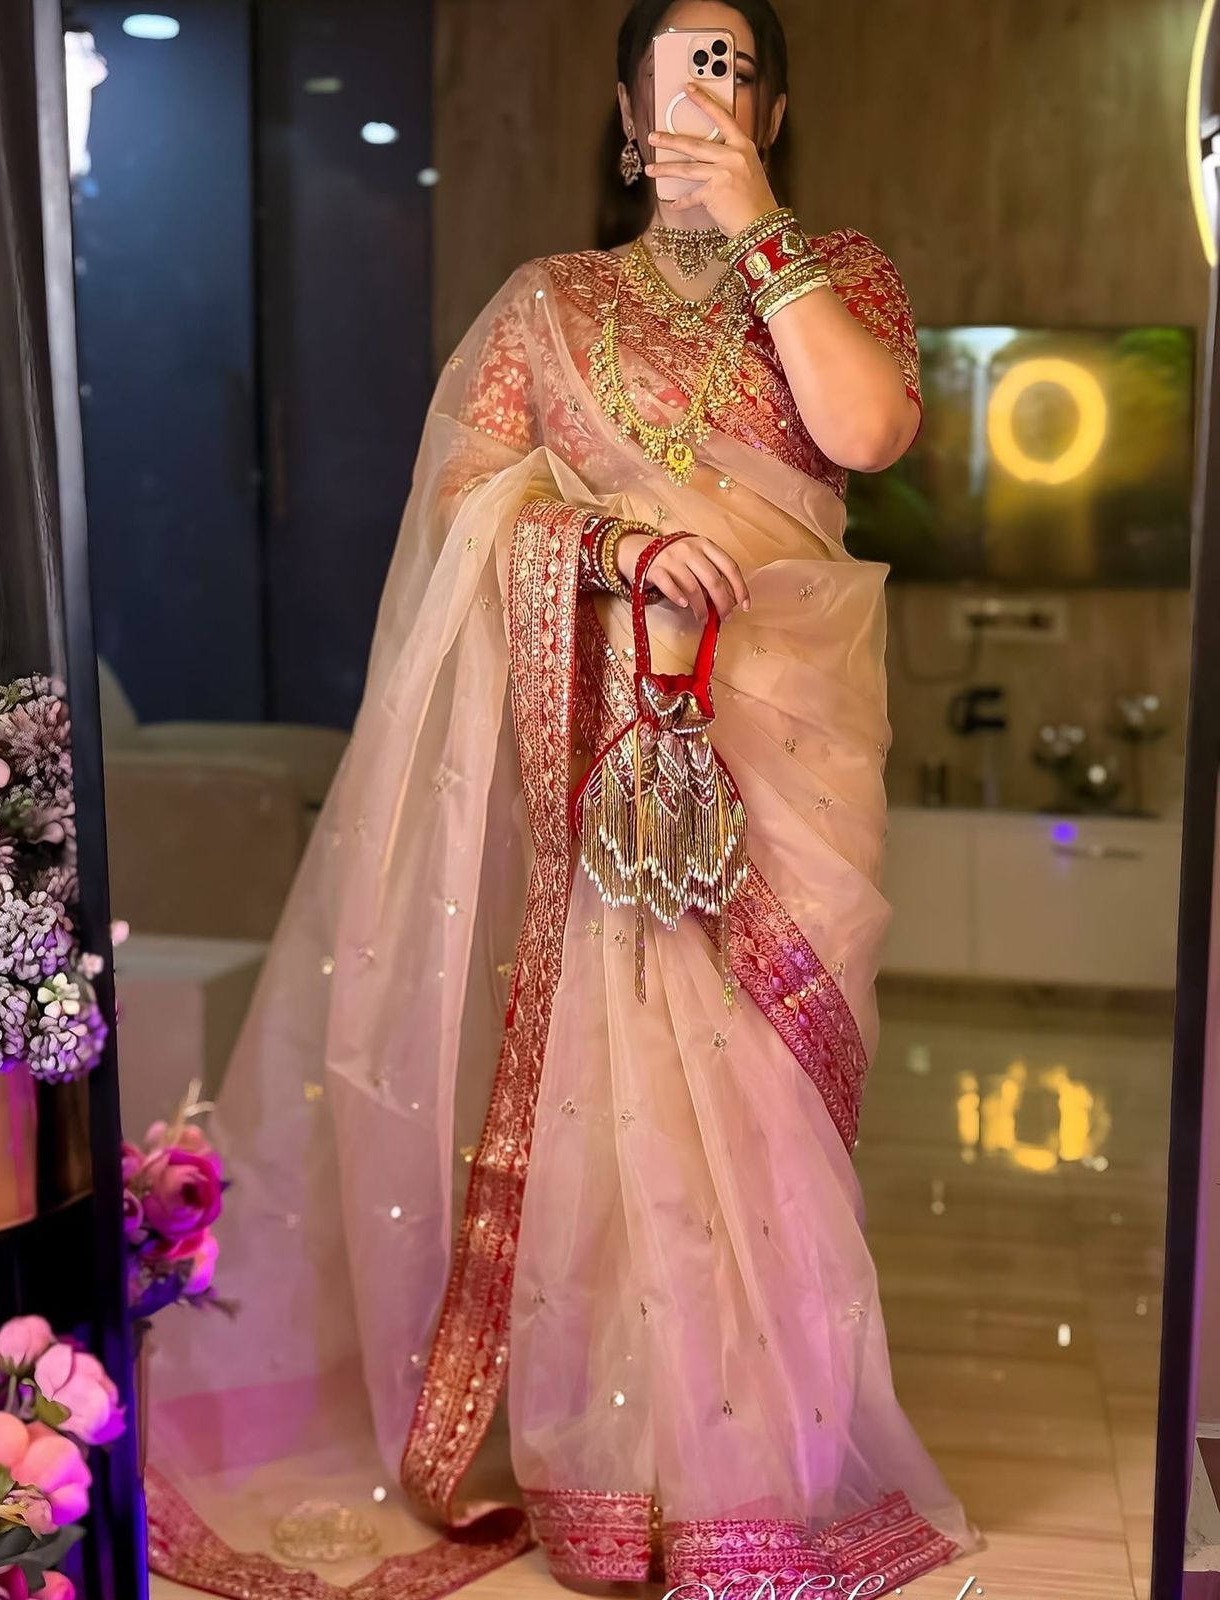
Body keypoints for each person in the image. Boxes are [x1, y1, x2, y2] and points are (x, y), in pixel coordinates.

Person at [142, 1, 987, 1596]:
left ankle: (759, 1477)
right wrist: (611, 547)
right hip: (615, 756)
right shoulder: (549, 305)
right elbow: (468, 509)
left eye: (734, 72)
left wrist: (761, 230)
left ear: (773, 111)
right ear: (624, 105)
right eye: (678, 72)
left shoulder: (841, 274)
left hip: (790, 753)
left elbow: (867, 430)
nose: (703, 99)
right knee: (623, 1089)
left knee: (769, 1098)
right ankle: (615, 1472)